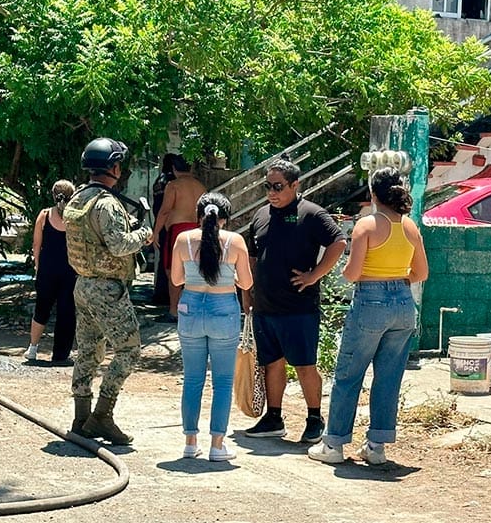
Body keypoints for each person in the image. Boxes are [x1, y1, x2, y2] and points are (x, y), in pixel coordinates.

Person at [308, 167, 428, 465]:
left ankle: (333, 445)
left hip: (370, 302)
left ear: (373, 194)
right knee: (388, 379)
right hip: (403, 304)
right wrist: (396, 280)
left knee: (349, 374)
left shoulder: (366, 225)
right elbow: (422, 273)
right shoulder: (411, 227)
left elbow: (351, 273)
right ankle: (377, 448)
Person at [243, 159, 347, 443]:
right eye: (267, 187)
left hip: (299, 308)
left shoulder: (311, 213)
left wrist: (315, 275)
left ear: (294, 185)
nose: (272, 193)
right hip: (265, 305)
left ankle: (315, 418)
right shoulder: (261, 215)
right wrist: (247, 292)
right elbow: (253, 255)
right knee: (271, 363)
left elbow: (338, 242)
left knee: (304, 364)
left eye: (278, 187)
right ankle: (273, 418)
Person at [62, 137, 153, 445]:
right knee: (129, 350)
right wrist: (143, 233)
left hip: (83, 285)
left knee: (88, 351)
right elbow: (118, 245)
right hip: (106, 288)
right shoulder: (106, 203)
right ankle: (102, 416)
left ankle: (81, 417)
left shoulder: (78, 197)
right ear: (114, 167)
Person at [170, 193, 253, 461]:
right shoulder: (235, 241)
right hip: (223, 310)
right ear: (225, 218)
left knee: (192, 379)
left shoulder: (183, 240)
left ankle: (190, 442)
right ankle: (217, 444)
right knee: (222, 381)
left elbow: (176, 278)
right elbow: (246, 284)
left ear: (199, 216)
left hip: (191, 307)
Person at [23, 180, 77, 366]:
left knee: (41, 309)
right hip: (70, 271)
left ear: (54, 195)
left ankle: (33, 348)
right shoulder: (76, 218)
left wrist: (38, 267)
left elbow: (36, 245)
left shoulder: (44, 215)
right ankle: (61, 355)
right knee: (67, 312)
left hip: (47, 270)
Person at [154, 155, 206, 320]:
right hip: (198, 230)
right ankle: (192, 308)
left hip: (178, 230)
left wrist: (155, 232)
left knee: (173, 271)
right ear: (190, 169)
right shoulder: (201, 187)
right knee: (195, 270)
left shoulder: (173, 185)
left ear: (174, 170)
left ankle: (174, 310)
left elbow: (165, 210)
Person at [151, 153, 178, 306]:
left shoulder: (158, 181)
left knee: (163, 260)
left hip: (160, 224)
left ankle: (160, 293)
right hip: (169, 224)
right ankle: (165, 295)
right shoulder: (171, 182)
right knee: (170, 262)